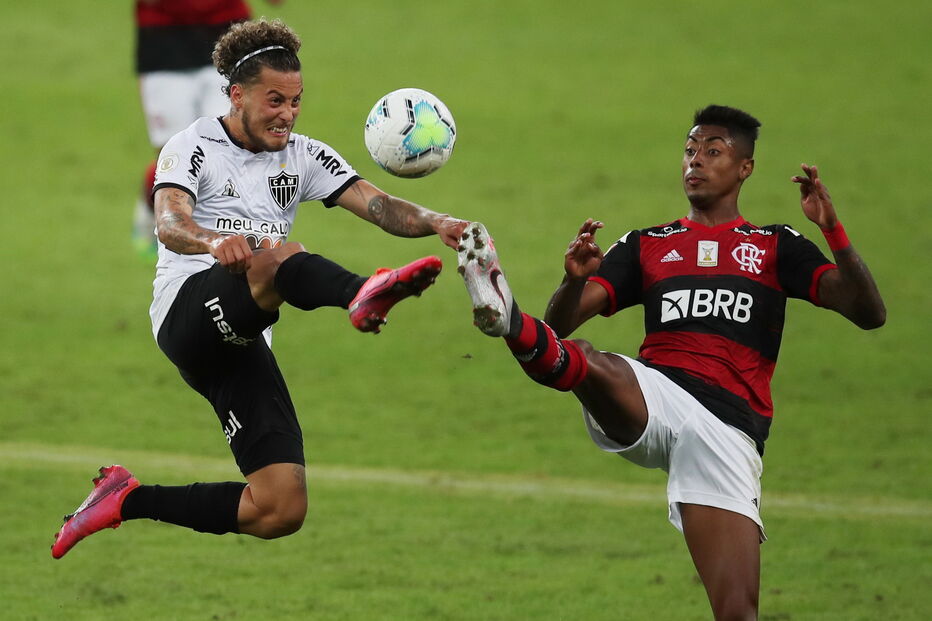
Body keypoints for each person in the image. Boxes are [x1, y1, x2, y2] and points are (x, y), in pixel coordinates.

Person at [53, 18, 467, 558]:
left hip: (243, 339)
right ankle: (364, 291)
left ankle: (123, 500)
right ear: (237, 94)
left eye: (296, 101)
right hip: (187, 314)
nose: (288, 114)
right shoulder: (194, 143)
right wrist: (211, 242)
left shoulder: (303, 155)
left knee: (279, 508)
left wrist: (439, 222)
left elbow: (380, 205)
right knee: (279, 261)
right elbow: (169, 223)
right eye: (275, 100)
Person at [456, 105, 885, 620]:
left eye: (712, 151)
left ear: (745, 167)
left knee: (737, 612)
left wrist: (833, 231)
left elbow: (868, 313)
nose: (695, 162)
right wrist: (573, 279)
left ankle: (508, 320)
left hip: (728, 431)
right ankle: (506, 317)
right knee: (589, 359)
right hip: (658, 395)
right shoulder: (649, 245)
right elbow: (563, 325)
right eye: (689, 150)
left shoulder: (775, 246)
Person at [132, 0, 282, 260]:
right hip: (163, 39)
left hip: (226, 31)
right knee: (173, 155)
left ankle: (220, 241)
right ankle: (150, 209)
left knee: (228, 146)